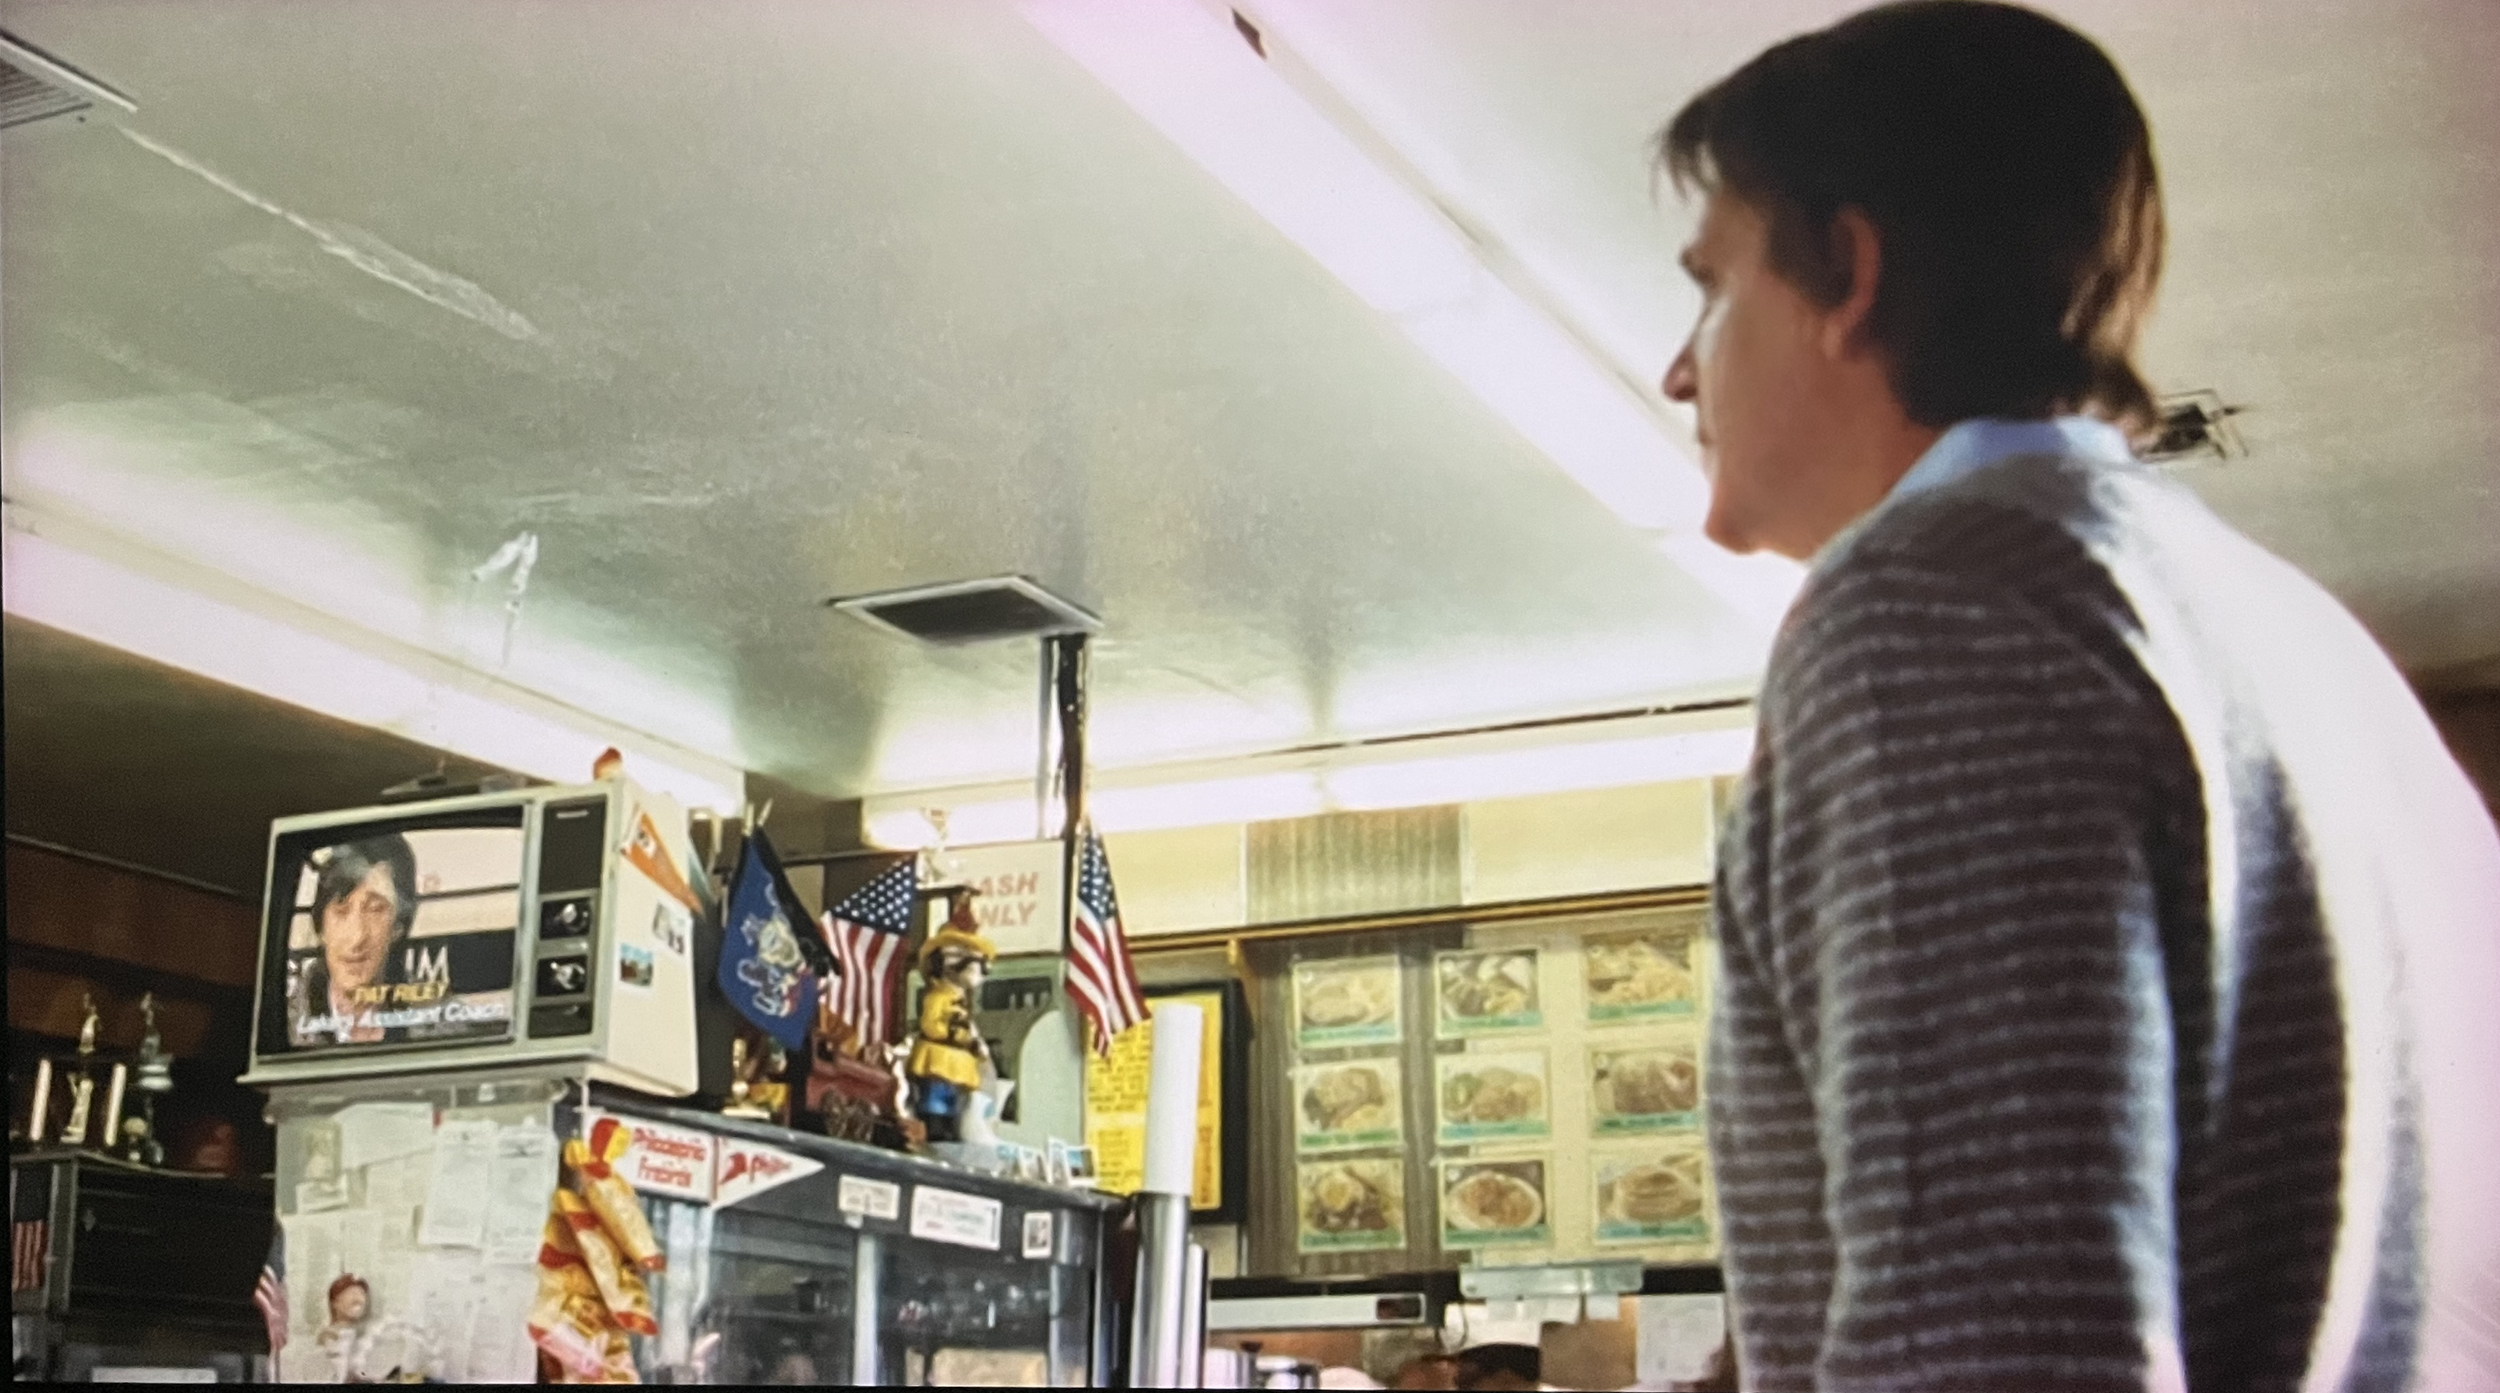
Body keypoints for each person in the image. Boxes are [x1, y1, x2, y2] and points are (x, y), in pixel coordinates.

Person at [1655, 4, 2500, 1390]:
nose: (1681, 369)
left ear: (1849, 273)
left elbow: (2004, 1342)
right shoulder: (2301, 644)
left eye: (1712, 286)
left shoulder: (1934, 605)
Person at [287, 835, 420, 1046]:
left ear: (398, 926)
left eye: (375, 909)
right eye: (341, 910)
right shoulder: (285, 1023)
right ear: (321, 926)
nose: (357, 937)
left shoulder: (442, 1019)